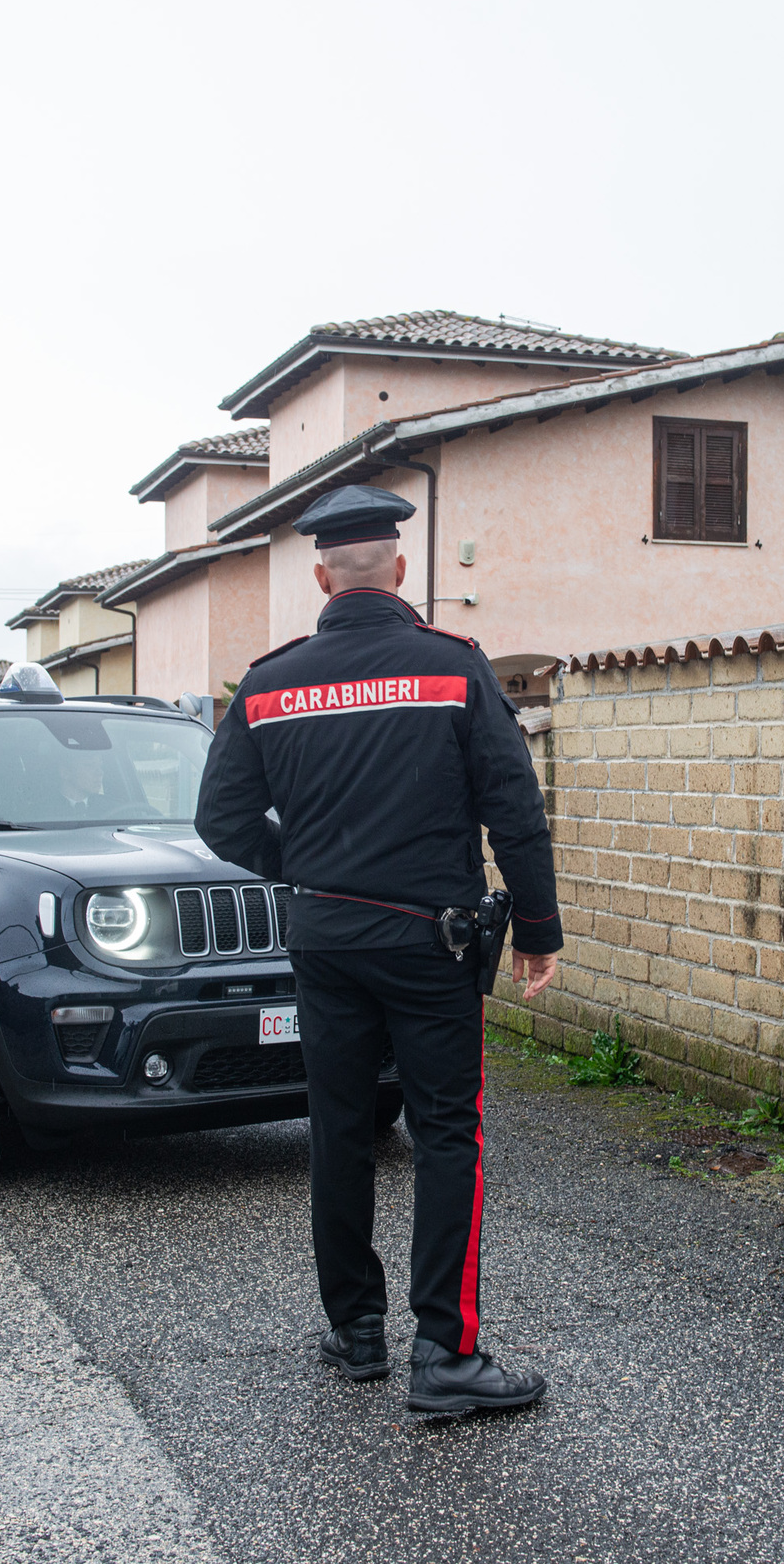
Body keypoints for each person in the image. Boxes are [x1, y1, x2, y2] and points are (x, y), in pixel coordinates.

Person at [195, 483, 562, 1415]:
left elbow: (221, 819)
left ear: (322, 576)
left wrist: (304, 868)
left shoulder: (268, 682)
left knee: (341, 1127)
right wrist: (538, 930)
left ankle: (355, 1332)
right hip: (430, 942)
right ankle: (445, 1354)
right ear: (398, 569)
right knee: (447, 1133)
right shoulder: (452, 666)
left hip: (325, 938)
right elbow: (514, 808)